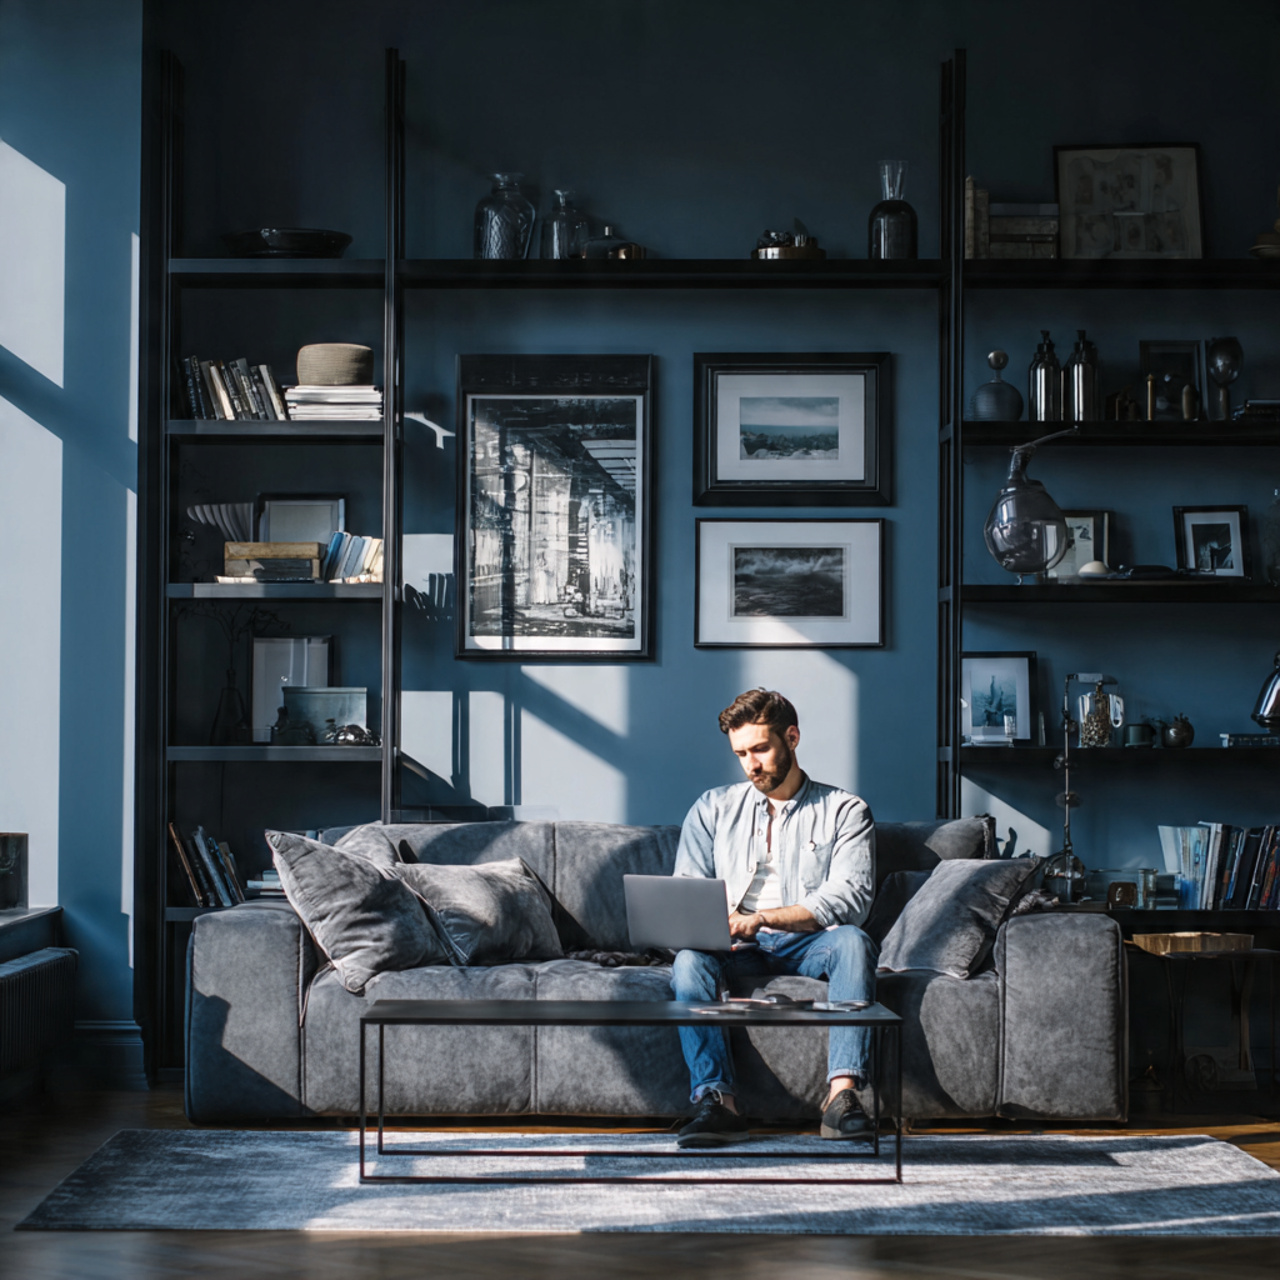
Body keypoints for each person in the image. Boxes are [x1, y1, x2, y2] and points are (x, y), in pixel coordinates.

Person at [670, 688, 877, 1148]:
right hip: (735, 947)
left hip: (808, 942)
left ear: (792, 737)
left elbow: (850, 899)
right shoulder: (712, 808)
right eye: (741, 754)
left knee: (852, 942)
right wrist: (714, 921)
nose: (751, 765)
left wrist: (760, 918)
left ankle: (842, 1099)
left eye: (760, 749)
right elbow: (686, 890)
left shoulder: (846, 811)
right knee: (688, 961)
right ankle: (717, 1103)